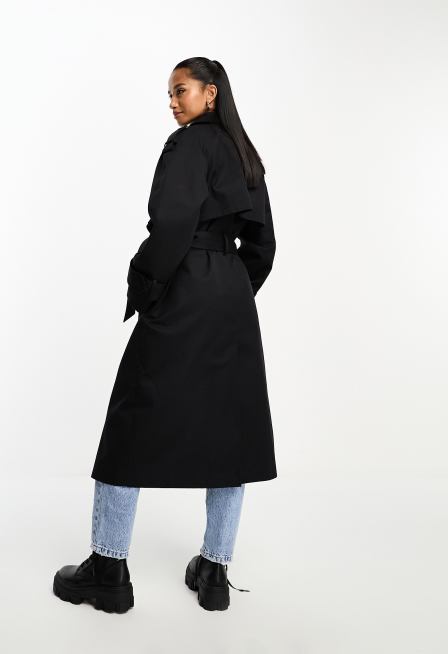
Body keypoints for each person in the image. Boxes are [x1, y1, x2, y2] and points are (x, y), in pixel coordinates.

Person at [52, 57, 277, 614]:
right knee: (232, 433)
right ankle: (215, 572)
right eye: (170, 95)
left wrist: (147, 286)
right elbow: (264, 245)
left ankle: (108, 569)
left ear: (211, 93)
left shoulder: (187, 145)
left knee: (129, 422)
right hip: (230, 299)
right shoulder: (245, 154)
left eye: (181, 91)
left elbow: (171, 226)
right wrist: (230, 289)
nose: (172, 103)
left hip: (184, 287)